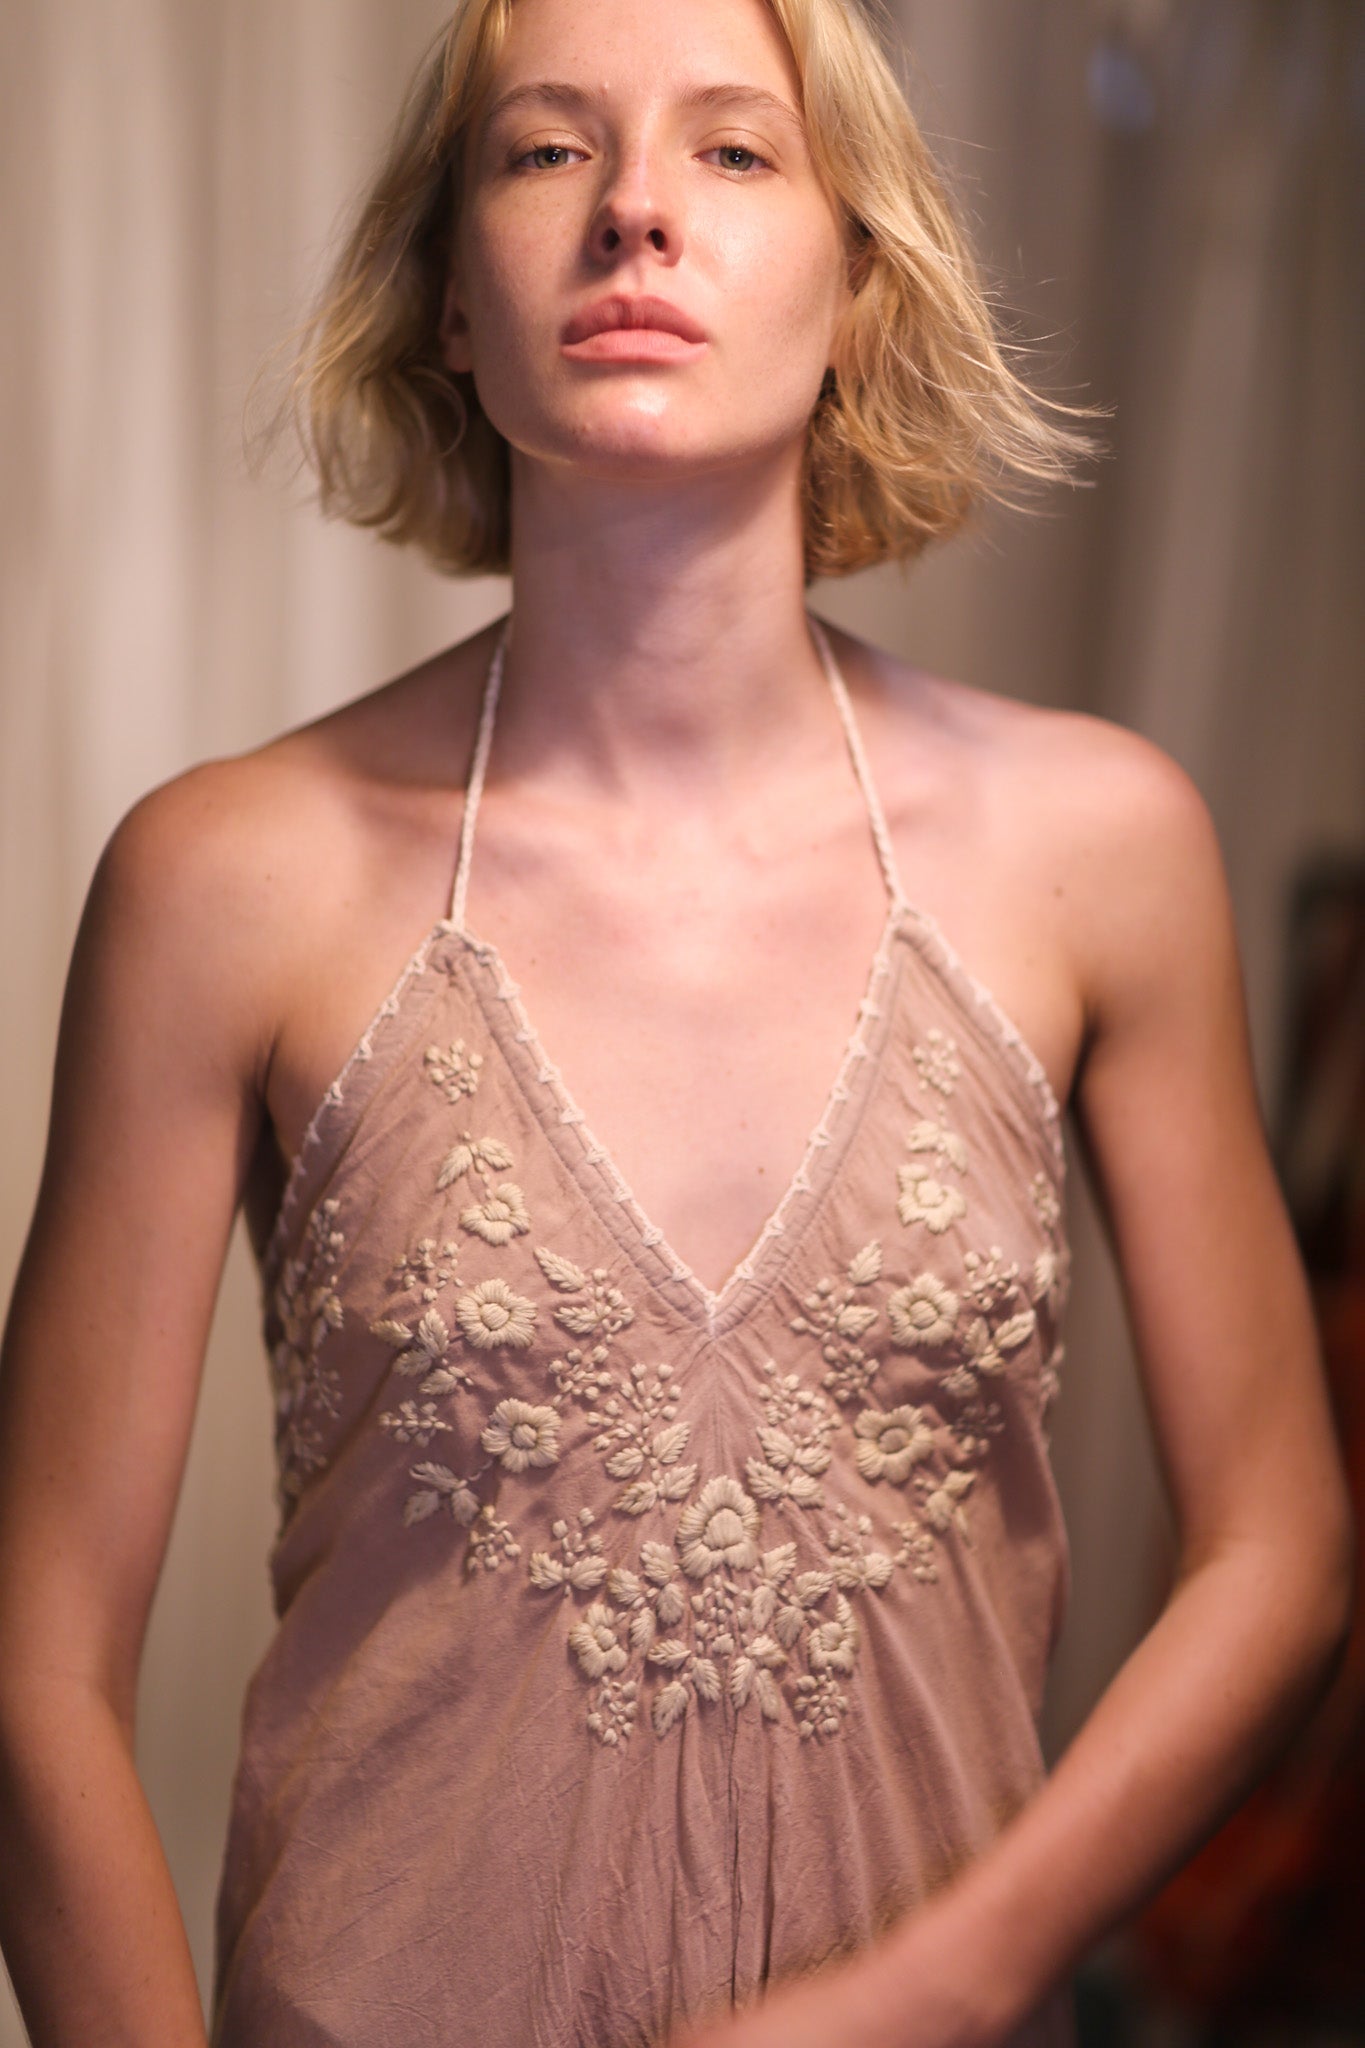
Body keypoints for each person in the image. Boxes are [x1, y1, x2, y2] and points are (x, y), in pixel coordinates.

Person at [0, 0, 1352, 2043]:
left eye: (732, 149)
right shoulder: (223, 881)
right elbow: (34, 1667)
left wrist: (943, 1985)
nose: (635, 208)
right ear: (451, 305)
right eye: (547, 149)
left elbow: (1279, 1548)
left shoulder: (1097, 850)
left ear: (859, 287)